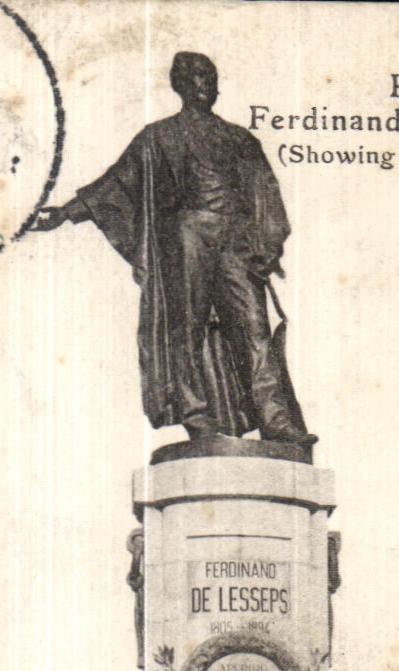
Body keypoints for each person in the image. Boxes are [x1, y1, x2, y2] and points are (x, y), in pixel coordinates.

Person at [35, 52, 314, 446]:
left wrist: (267, 247)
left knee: (254, 329)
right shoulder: (158, 136)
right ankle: (197, 416)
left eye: (210, 76)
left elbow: (267, 195)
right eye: (197, 76)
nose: (205, 83)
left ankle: (276, 421)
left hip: (236, 243)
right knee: (186, 328)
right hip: (187, 238)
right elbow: (117, 183)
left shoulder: (240, 139)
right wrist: (66, 212)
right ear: (179, 84)